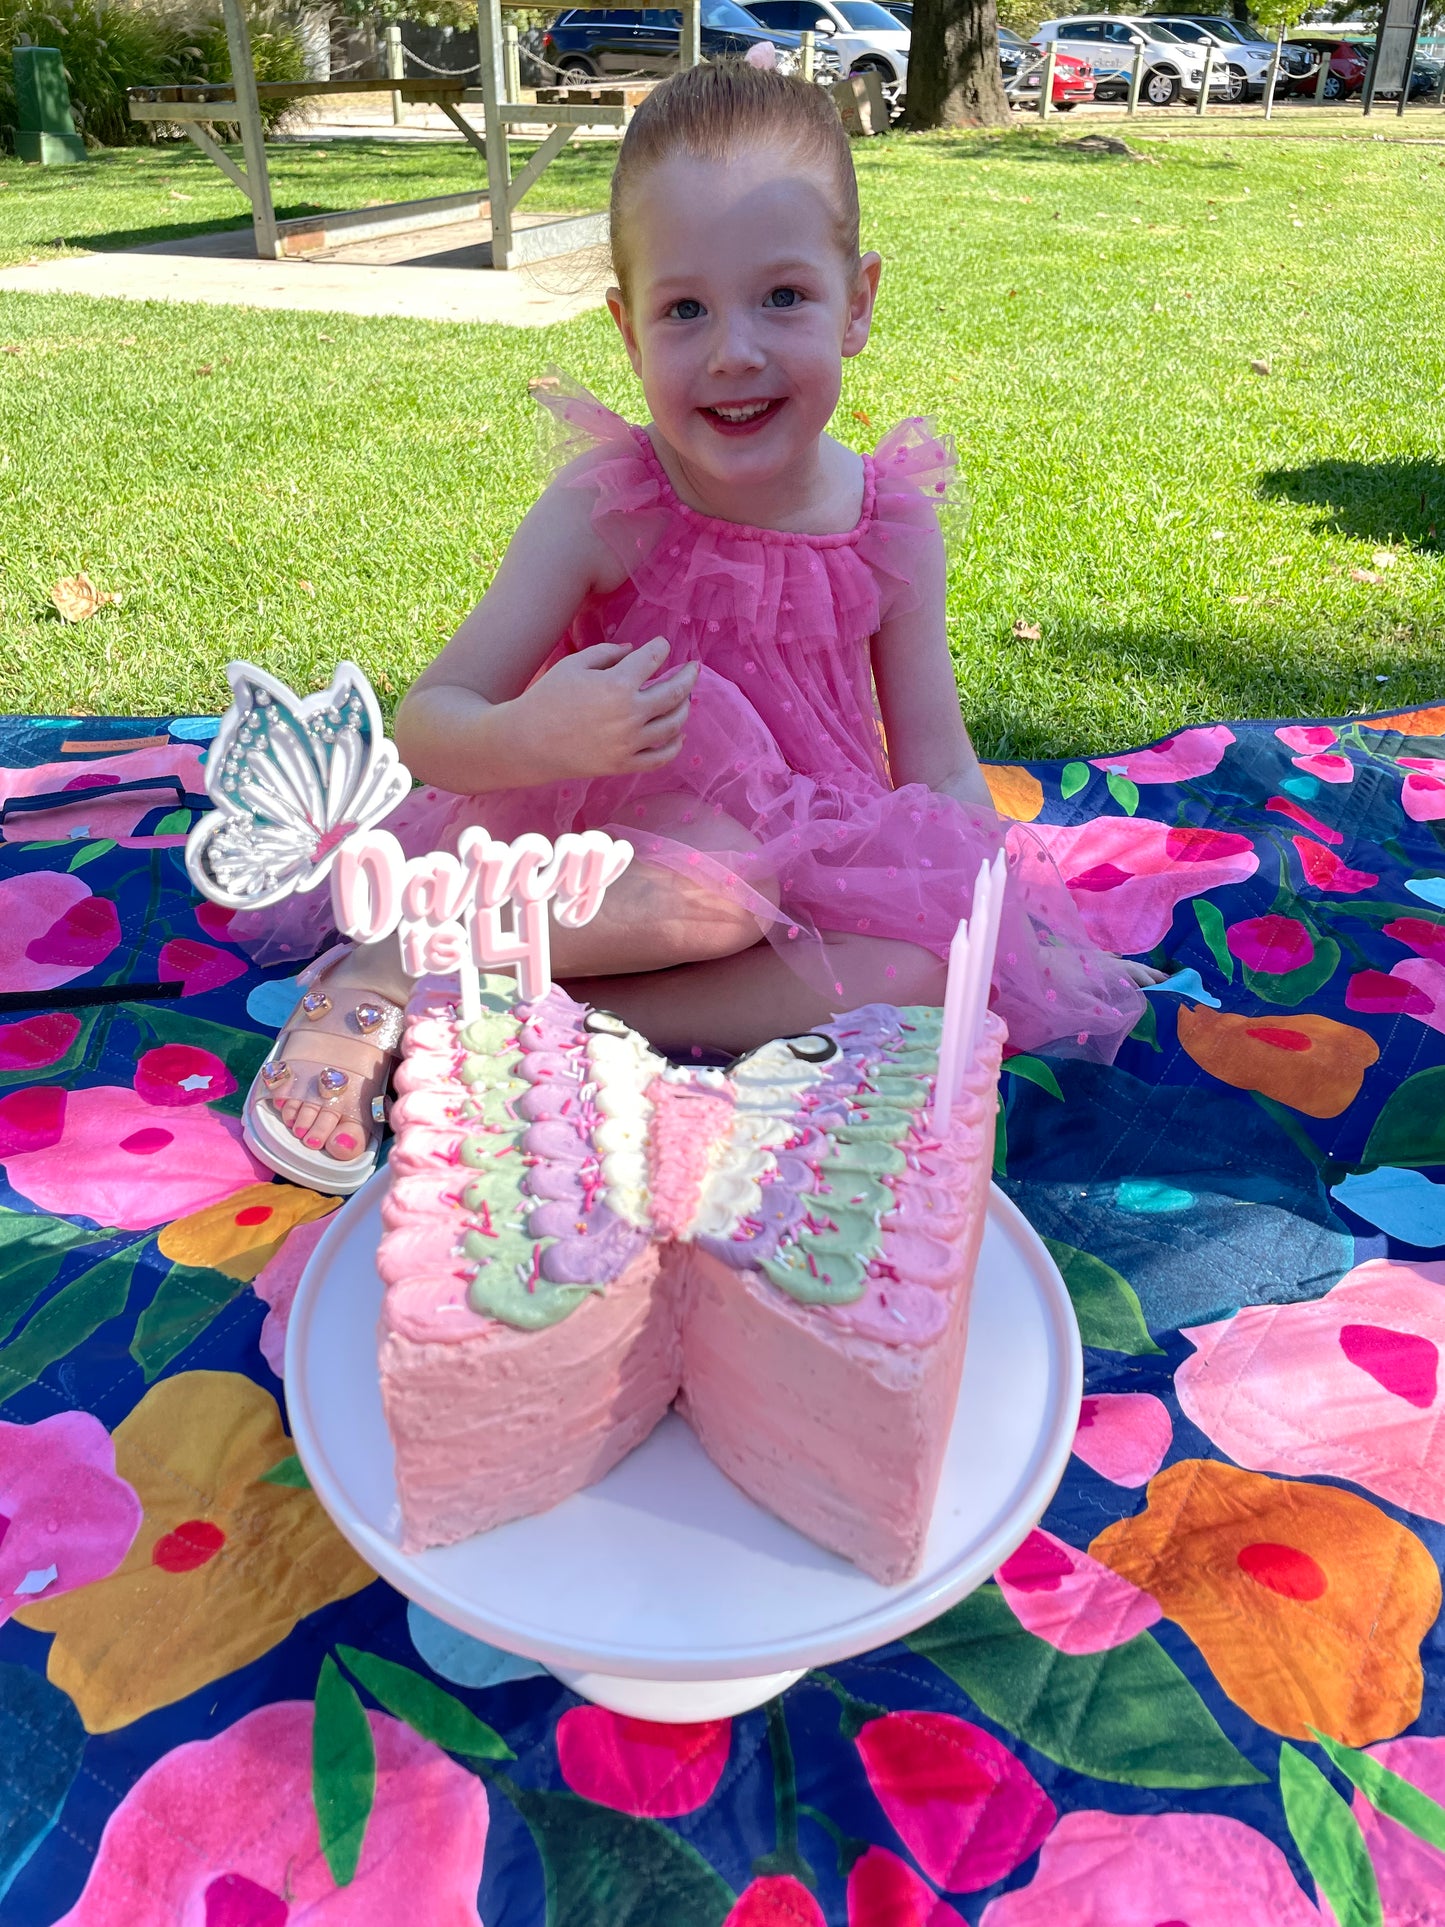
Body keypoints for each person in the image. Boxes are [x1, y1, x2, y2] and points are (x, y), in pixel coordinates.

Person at [237, 57, 1152, 1192]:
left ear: (856, 300)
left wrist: (990, 901)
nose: (733, 350)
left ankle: (567, 1022)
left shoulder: (889, 526)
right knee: (719, 874)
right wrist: (538, 735)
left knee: (918, 969)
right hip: (591, 857)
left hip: (803, 853)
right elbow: (426, 722)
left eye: (781, 296)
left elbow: (936, 759)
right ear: (627, 331)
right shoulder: (607, 507)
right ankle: (396, 956)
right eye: (685, 309)